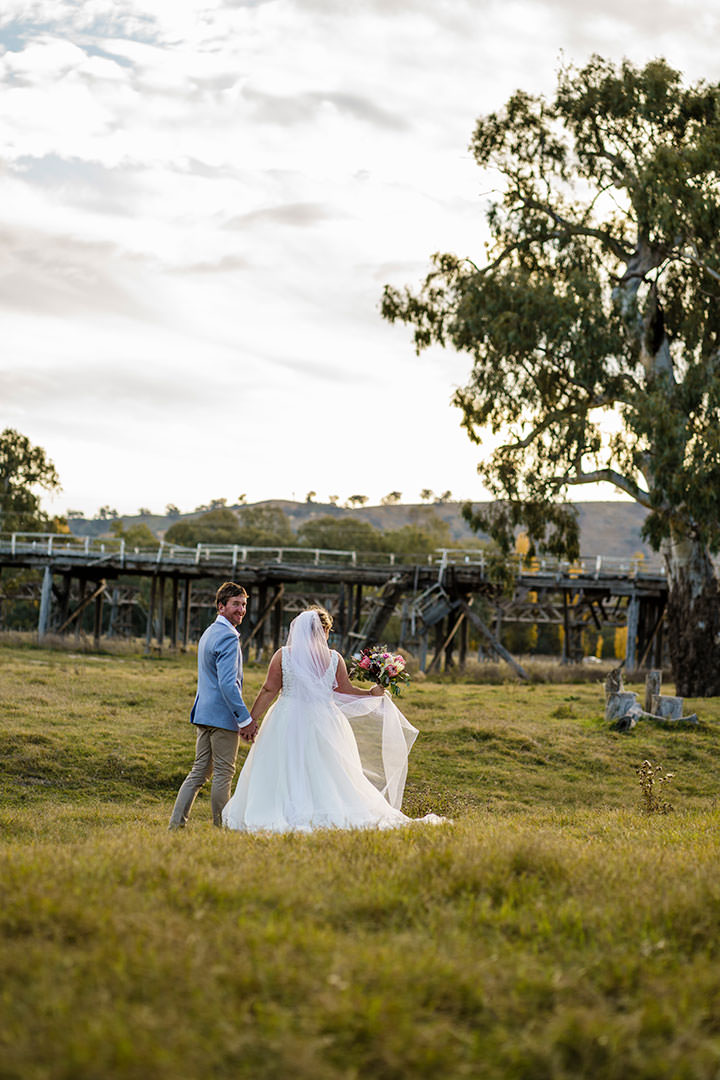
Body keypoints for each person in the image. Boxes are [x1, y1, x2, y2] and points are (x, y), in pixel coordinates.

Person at [222, 607, 443, 833]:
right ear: (325, 630)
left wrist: (250, 720)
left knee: (285, 765)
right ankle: (326, 808)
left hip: (287, 718)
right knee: (326, 768)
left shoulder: (284, 655)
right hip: (325, 720)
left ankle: (286, 807)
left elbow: (269, 689)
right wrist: (370, 694)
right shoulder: (334, 658)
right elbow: (345, 690)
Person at [169, 581, 258, 829]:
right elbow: (229, 685)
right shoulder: (229, 637)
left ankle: (175, 826)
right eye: (235, 604)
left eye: (243, 605)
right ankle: (222, 828)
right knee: (223, 774)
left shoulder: (209, 632)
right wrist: (245, 719)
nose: (241, 610)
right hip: (222, 718)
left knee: (199, 772)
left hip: (204, 714)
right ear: (221, 606)